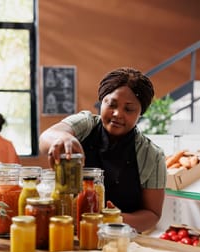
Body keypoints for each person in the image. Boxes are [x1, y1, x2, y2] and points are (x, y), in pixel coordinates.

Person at [39, 67, 167, 233]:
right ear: (101, 101)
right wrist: (63, 138)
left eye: (128, 109)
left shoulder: (152, 155)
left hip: (120, 239)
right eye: (111, 104)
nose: (117, 114)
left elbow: (152, 214)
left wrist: (110, 218)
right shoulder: (86, 124)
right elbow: (46, 137)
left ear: (140, 112)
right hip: (67, 232)